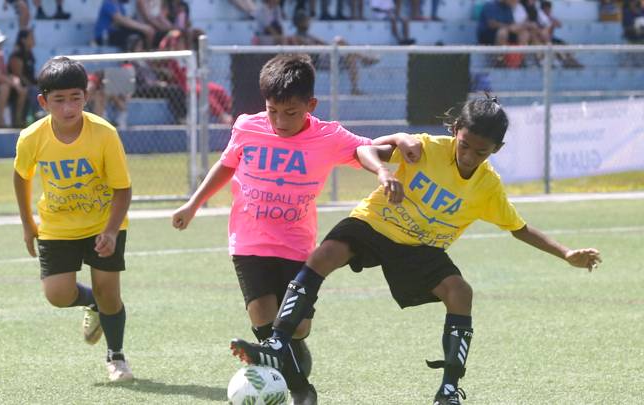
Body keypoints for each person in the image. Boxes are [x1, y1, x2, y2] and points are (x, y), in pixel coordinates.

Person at [229, 96, 602, 405]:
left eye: (481, 152)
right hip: (375, 222)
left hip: (421, 246)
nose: (469, 156)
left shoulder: (488, 187)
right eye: (465, 145)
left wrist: (566, 253)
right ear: (455, 132)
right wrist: (384, 172)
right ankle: (278, 342)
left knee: (460, 292)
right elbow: (367, 150)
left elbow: (520, 229)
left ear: (496, 150)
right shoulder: (425, 147)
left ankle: (450, 389)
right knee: (322, 256)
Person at [171, 54, 420, 405]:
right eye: (273, 110)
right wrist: (193, 204)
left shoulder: (328, 136)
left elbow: (367, 148)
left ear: (310, 105)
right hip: (248, 240)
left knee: (297, 327)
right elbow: (227, 165)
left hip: (296, 245)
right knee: (261, 316)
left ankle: (290, 347)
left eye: (290, 112)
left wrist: (399, 143)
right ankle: (302, 389)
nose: (280, 120)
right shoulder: (247, 126)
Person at [13, 57, 134, 382]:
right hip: (57, 226)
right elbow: (21, 176)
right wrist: (28, 224)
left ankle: (117, 357)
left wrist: (110, 231)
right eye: (59, 100)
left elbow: (122, 189)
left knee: (110, 291)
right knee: (57, 294)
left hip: (103, 224)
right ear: (43, 101)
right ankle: (92, 303)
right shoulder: (31, 137)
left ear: (87, 94)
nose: (68, 107)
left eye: (75, 98)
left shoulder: (104, 134)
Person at [287, 10, 380, 95]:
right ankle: (364, 59)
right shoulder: (296, 37)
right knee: (339, 41)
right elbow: (307, 51)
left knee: (349, 54)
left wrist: (329, 49)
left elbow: (325, 45)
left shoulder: (309, 36)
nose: (309, 22)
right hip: (316, 63)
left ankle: (355, 89)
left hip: (325, 58)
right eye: (306, 20)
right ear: (300, 22)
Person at [8, 29, 41, 124]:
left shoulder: (30, 54)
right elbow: (18, 75)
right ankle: (23, 120)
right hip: (17, 86)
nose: (34, 40)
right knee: (33, 91)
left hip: (29, 83)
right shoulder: (17, 54)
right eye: (31, 38)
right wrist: (31, 85)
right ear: (23, 40)